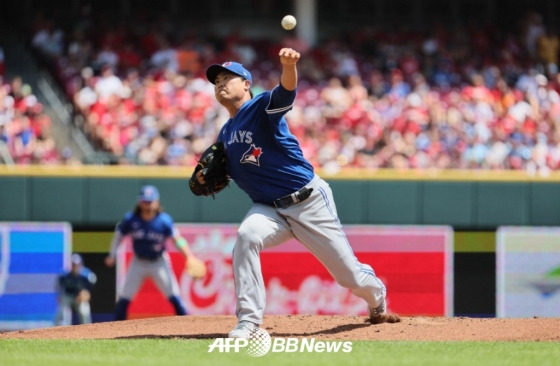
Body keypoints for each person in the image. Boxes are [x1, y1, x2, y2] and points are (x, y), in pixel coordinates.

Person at [198, 48, 401, 339]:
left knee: (348, 276)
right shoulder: (226, 133)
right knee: (246, 237)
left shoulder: (260, 107)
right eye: (216, 79)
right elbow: (230, 171)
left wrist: (288, 66)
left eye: (227, 77)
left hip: (308, 201)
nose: (220, 82)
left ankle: (376, 295)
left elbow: (285, 92)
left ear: (245, 84)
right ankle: (248, 322)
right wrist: (210, 176)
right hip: (268, 208)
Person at [105, 185, 199, 320]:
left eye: (150, 201)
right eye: (144, 201)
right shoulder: (131, 219)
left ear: (156, 202)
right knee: (124, 299)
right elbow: (119, 236)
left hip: (159, 262)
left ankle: (189, 328)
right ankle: (114, 333)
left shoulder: (164, 220)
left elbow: (177, 240)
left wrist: (189, 256)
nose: (147, 205)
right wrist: (112, 254)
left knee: (174, 296)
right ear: (139, 202)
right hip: (138, 262)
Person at [55, 253, 97, 325]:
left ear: (80, 264)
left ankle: (87, 331)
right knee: (60, 312)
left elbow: (94, 280)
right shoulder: (64, 275)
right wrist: (59, 295)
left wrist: (87, 292)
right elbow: (58, 285)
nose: (75, 266)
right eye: (73, 264)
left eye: (77, 264)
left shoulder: (86, 274)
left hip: (79, 296)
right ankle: (54, 331)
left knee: (84, 312)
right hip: (67, 295)